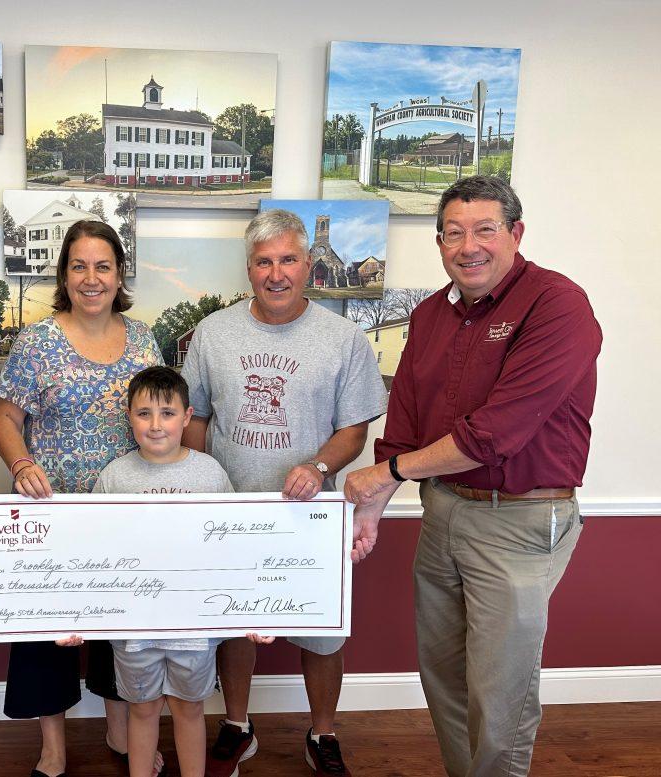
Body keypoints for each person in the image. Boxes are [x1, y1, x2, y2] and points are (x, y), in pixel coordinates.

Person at [344, 176, 602, 777]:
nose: (470, 246)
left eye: (485, 229)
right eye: (454, 233)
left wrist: (388, 473)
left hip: (520, 520)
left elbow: (495, 433)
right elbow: (405, 415)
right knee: (444, 677)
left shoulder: (557, 305)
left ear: (515, 233)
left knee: (499, 691)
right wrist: (376, 502)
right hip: (444, 513)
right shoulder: (432, 313)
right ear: (439, 243)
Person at [181, 209, 387, 777]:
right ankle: (238, 725)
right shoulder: (213, 333)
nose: (277, 273)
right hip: (232, 508)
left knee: (321, 632)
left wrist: (319, 466)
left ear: (308, 265)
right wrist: (204, 476)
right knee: (234, 622)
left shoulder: (343, 338)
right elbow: (194, 415)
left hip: (311, 514)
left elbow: (354, 429)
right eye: (265, 261)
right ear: (249, 268)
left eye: (288, 260)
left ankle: (322, 733)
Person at [0, 220, 165, 777]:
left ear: (120, 274)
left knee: (125, 626)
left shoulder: (143, 340)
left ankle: (120, 730)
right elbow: (4, 418)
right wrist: (21, 464)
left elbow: (162, 417)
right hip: (54, 515)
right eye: (79, 266)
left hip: (126, 514)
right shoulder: (37, 342)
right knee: (50, 635)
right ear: (65, 275)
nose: (92, 278)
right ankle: (53, 746)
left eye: (103, 266)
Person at [80, 366, 270, 777]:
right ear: (128, 416)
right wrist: (78, 616)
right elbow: (94, 553)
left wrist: (253, 611)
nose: (155, 424)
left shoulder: (210, 474)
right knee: (143, 709)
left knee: (189, 709)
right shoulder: (115, 478)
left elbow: (234, 549)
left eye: (167, 413)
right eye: (144, 413)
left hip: (194, 631)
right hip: (134, 631)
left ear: (187, 416)